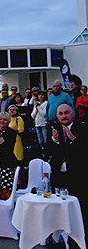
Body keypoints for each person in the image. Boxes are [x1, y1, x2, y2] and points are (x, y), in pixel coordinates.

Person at [46, 104, 87, 245]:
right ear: (57, 115)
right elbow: (48, 149)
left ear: (73, 114)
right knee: (60, 208)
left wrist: (74, 139)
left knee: (78, 209)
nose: (64, 116)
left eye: (67, 113)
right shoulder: (54, 129)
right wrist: (54, 140)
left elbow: (83, 151)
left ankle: (79, 239)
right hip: (59, 175)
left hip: (77, 175)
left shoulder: (82, 128)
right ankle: (59, 238)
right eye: (61, 113)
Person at [31, 91, 48, 156]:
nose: (41, 96)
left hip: (43, 124)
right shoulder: (36, 103)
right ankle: (42, 154)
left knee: (45, 140)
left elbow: (44, 114)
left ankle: (47, 154)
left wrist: (38, 107)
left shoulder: (46, 103)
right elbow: (32, 115)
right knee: (40, 141)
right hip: (37, 124)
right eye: (39, 95)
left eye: (42, 95)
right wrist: (36, 108)